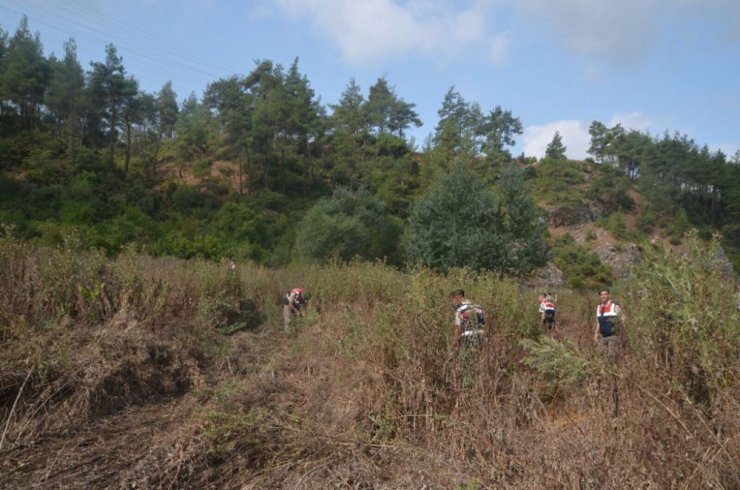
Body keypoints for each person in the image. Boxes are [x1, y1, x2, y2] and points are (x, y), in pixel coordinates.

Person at [450, 289, 485, 385]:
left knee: (466, 361)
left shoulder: (460, 310)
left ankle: (468, 383)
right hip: (481, 335)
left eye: (453, 300)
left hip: (468, 337)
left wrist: (454, 342)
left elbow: (458, 328)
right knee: (478, 359)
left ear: (458, 297)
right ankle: (480, 382)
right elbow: (484, 322)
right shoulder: (478, 306)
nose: (453, 303)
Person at [594, 289, 622, 360]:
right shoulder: (599, 307)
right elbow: (598, 322)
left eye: (605, 294)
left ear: (609, 295)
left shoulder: (615, 306)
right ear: (600, 296)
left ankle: (613, 370)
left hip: (613, 336)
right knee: (601, 355)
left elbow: (623, 320)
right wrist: (596, 334)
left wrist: (621, 333)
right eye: (602, 294)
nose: (603, 296)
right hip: (602, 336)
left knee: (611, 356)